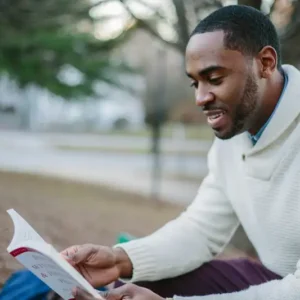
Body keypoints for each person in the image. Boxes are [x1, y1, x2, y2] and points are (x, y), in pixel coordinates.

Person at [63, 4, 300, 300]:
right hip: (277, 276)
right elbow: (201, 229)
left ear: (265, 63)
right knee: (142, 285)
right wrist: (120, 259)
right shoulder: (233, 140)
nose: (200, 98)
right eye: (195, 82)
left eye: (214, 79)